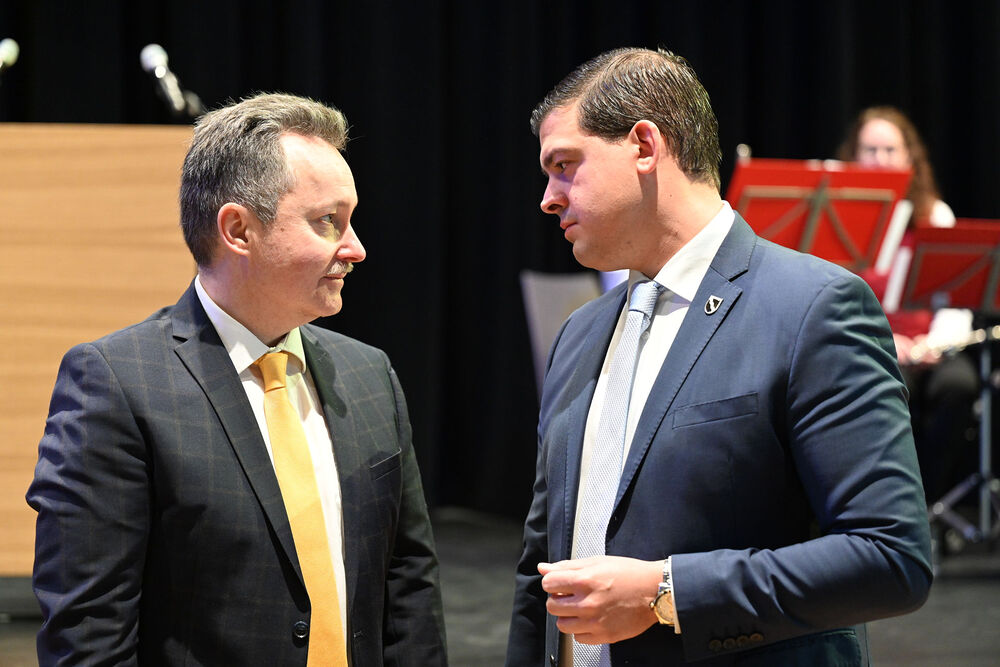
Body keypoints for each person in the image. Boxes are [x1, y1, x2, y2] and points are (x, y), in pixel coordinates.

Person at [506, 48, 932, 666]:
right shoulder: (580, 332)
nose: (549, 198)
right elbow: (541, 566)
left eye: (565, 166)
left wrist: (666, 594)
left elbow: (891, 557)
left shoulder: (812, 308)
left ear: (645, 146)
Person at [27, 93, 447, 666]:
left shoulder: (369, 373)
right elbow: (89, 632)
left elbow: (408, 584)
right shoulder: (117, 385)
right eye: (329, 221)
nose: (356, 249)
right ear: (238, 230)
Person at [838, 106, 979, 506]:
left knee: (960, 385)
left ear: (909, 158)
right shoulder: (843, 215)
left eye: (890, 150)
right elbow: (837, 300)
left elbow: (954, 299)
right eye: (870, 150)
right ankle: (889, 503)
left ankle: (926, 504)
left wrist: (934, 344)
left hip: (930, 345)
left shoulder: (935, 213)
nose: (880, 160)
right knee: (893, 384)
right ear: (854, 156)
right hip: (872, 344)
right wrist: (886, 340)